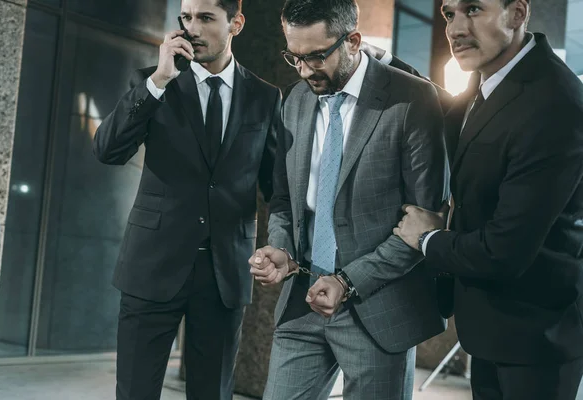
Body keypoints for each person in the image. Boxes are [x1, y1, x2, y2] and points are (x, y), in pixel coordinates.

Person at [248, 0, 447, 398]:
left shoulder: (413, 100)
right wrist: (282, 249)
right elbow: (286, 201)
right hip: (301, 305)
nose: (304, 70)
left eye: (317, 57)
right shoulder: (296, 101)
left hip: (379, 309)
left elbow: (426, 225)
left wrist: (347, 282)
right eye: (294, 57)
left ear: (354, 40)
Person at [394, 0, 583, 399]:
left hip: (535, 340)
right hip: (491, 330)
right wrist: (385, 64)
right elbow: (466, 120)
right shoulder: (496, 82)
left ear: (516, 15)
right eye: (449, 14)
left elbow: (504, 251)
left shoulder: (554, 103)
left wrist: (427, 238)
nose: (456, 28)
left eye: (473, 9)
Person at [93, 0, 280, 398]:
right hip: (152, 265)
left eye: (206, 18)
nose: (192, 28)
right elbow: (108, 151)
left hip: (224, 273)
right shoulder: (153, 83)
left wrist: (279, 244)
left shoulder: (265, 98)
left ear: (237, 23)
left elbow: (277, 188)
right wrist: (159, 80)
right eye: (186, 18)